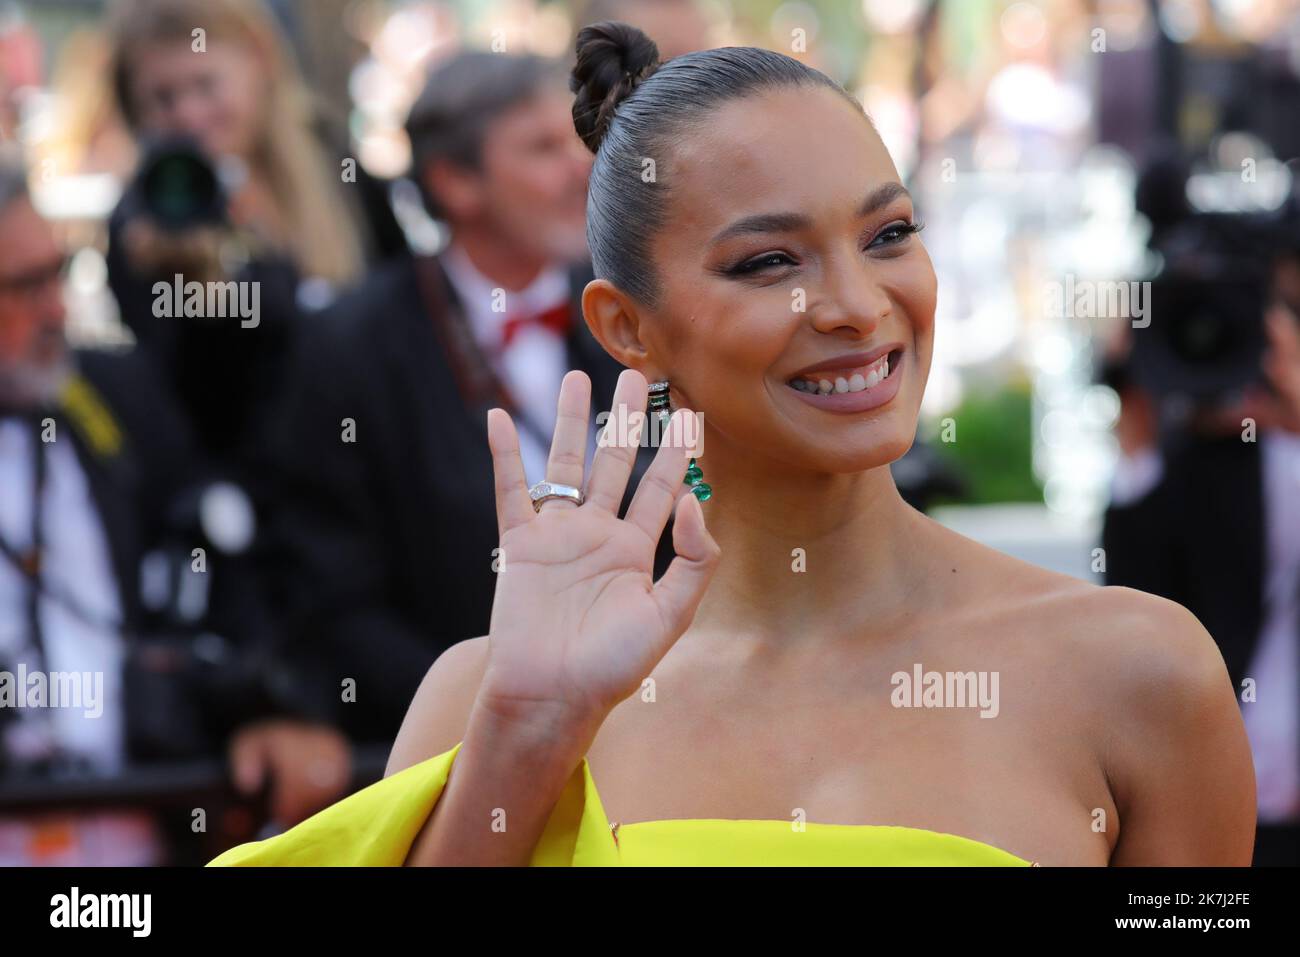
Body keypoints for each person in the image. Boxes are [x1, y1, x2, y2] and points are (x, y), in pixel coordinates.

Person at [210, 22, 1255, 867]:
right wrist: (529, 732)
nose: (854, 304)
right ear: (628, 328)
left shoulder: (1139, 673)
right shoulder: (485, 697)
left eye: (888, 234)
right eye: (766, 262)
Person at [259, 49, 665, 746]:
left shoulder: (634, 314)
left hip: (652, 734)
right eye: (542, 148)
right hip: (447, 753)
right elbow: (332, 596)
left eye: (580, 140)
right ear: (454, 181)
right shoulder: (350, 347)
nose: (582, 168)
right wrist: (506, 711)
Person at [0, 156, 349, 864]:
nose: (58, 308)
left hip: (142, 818)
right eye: (25, 286)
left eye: (58, 272)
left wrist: (267, 713)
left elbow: (223, 566)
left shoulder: (111, 393)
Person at [101, 0, 398, 476]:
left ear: (258, 62)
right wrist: (200, 289)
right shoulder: (145, 221)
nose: (189, 114)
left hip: (375, 465)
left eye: (205, 85)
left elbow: (400, 296)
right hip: (260, 498)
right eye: (162, 98)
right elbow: (190, 396)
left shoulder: (330, 164)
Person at [1104, 250, 1300, 866]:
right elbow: (1130, 604)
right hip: (1209, 808)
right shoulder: (1167, 483)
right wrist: (1133, 397)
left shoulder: (1284, 460)